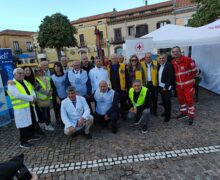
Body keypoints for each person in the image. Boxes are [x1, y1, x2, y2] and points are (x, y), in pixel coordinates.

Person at [7, 68, 41, 148]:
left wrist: (34, 97)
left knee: (31, 121)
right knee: (23, 125)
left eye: (22, 73)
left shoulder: (25, 81)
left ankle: (30, 135)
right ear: (14, 75)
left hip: (29, 106)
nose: (21, 74)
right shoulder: (12, 83)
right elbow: (17, 95)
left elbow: (32, 91)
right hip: (20, 108)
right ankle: (23, 142)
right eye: (19, 73)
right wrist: (31, 98)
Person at [171, 46, 197, 125]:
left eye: (177, 51)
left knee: (189, 100)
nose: (175, 53)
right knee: (181, 99)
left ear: (180, 51)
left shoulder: (188, 60)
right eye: (174, 52)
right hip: (179, 86)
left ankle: (191, 116)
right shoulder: (173, 62)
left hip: (187, 85)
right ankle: (183, 113)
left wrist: (191, 80)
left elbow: (194, 71)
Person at [23, 66, 44, 135]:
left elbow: (39, 88)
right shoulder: (22, 80)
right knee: (31, 116)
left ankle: (37, 129)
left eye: (29, 70)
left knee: (36, 115)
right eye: (26, 70)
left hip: (34, 101)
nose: (28, 72)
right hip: (27, 101)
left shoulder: (33, 79)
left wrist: (47, 93)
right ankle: (35, 130)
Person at [107, 54, 129, 119]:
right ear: (110, 59)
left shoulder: (123, 66)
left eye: (115, 58)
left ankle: (123, 115)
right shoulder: (108, 67)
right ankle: (117, 115)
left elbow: (127, 77)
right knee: (115, 104)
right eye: (113, 58)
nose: (114, 60)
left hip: (122, 89)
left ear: (118, 59)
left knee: (123, 103)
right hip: (113, 89)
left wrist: (126, 87)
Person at [34, 67, 55, 131]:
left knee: (48, 112)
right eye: (36, 71)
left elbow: (50, 86)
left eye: (39, 70)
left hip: (48, 98)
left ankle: (48, 123)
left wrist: (51, 91)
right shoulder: (35, 79)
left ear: (42, 70)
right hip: (41, 99)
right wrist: (48, 93)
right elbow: (38, 88)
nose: (38, 72)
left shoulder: (48, 77)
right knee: (45, 112)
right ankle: (47, 125)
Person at [158, 54, 174, 122]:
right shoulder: (159, 65)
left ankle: (168, 116)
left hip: (166, 87)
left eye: (163, 58)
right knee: (163, 101)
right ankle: (165, 112)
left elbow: (171, 77)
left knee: (167, 101)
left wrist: (166, 86)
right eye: (160, 58)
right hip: (160, 86)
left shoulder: (169, 65)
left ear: (166, 58)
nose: (161, 59)